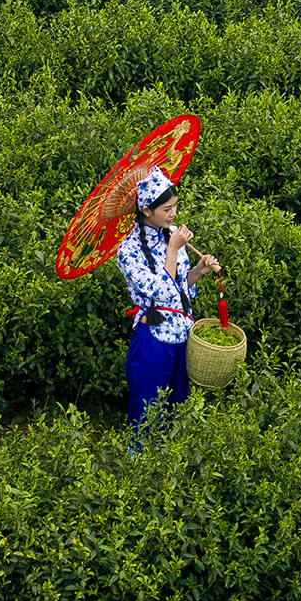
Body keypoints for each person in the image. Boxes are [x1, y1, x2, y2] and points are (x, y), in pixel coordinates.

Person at [116, 165, 220, 446]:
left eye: (175, 206)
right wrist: (173, 249)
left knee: (177, 405)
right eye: (166, 209)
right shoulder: (128, 250)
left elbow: (178, 289)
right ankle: (138, 468)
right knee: (148, 407)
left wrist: (197, 272)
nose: (173, 214)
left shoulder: (171, 234)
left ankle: (167, 471)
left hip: (183, 336)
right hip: (153, 338)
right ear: (147, 211)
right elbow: (159, 292)